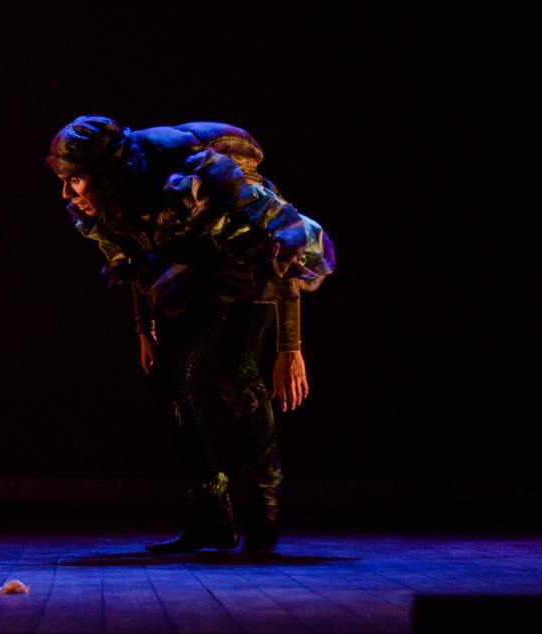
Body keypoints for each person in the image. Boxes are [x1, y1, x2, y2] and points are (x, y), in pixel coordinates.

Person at [46, 116, 335, 553]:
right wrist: (146, 328)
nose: (68, 193)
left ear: (104, 174)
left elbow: (282, 240)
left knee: (237, 372)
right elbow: (134, 260)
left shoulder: (197, 177)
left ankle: (264, 510)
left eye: (77, 180)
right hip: (201, 261)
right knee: (168, 375)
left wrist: (290, 348)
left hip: (248, 258)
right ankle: (213, 514)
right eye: (65, 180)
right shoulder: (111, 198)